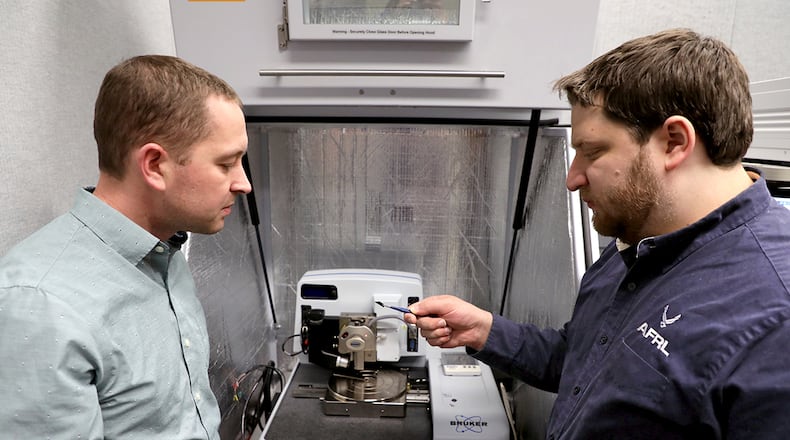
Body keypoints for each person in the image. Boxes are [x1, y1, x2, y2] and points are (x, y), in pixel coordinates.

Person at [405, 28, 790, 439]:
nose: (572, 179)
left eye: (592, 152)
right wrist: (486, 331)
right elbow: (583, 360)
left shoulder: (774, 318)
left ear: (674, 142)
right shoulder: (637, 238)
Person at [0, 55, 251, 439]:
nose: (243, 183)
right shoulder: (40, 305)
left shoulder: (166, 253)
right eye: (226, 164)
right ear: (154, 165)